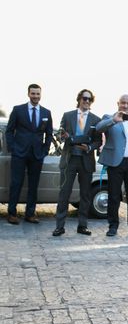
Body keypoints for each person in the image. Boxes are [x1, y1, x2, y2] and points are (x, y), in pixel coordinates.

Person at [52, 89, 102, 236]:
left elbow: (98, 141)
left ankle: (82, 226)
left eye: (89, 99)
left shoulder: (96, 119)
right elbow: (60, 135)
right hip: (70, 159)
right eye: (84, 98)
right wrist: (62, 136)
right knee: (64, 193)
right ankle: (59, 226)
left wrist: (90, 147)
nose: (87, 101)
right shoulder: (67, 116)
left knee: (86, 195)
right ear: (79, 99)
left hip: (86, 160)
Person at [96, 94, 128, 237]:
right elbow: (99, 128)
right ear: (118, 103)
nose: (125, 106)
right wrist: (113, 120)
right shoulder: (110, 117)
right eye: (123, 103)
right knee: (114, 195)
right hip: (116, 163)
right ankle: (113, 226)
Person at [6, 83, 53, 225]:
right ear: (28, 94)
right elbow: (9, 131)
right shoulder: (18, 110)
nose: (35, 96)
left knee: (33, 185)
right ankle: (12, 213)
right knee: (16, 183)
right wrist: (13, 148)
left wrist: (45, 150)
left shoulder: (46, 112)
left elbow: (49, 134)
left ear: (41, 94)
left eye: (38, 94)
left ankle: (30, 214)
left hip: (37, 154)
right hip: (19, 153)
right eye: (33, 94)